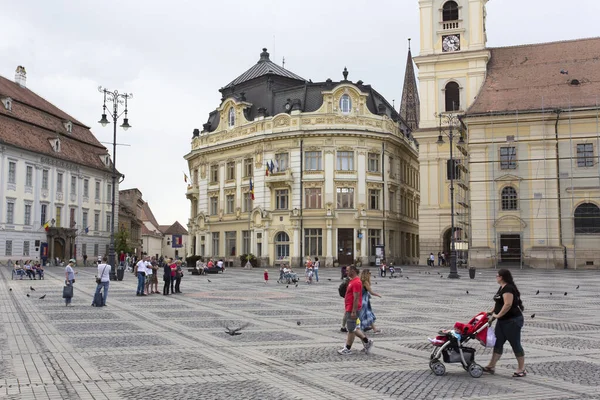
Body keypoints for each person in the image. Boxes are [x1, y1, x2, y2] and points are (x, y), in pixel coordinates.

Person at [484, 269, 526, 377]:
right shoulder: (502, 287)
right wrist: (492, 312)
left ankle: (521, 369)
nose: (496, 277)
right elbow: (499, 302)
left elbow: (507, 304)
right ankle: (491, 365)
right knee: (498, 343)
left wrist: (498, 315)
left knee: (515, 343)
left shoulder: (508, 288)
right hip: (502, 321)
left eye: (497, 275)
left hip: (512, 320)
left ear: (501, 277)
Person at [338, 265, 373, 355]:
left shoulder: (356, 282)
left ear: (353, 271)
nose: (346, 272)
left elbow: (356, 297)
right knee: (353, 328)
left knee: (351, 330)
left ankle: (348, 348)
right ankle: (367, 341)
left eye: (348, 270)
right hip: (349, 308)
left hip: (352, 309)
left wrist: (353, 311)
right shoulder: (351, 281)